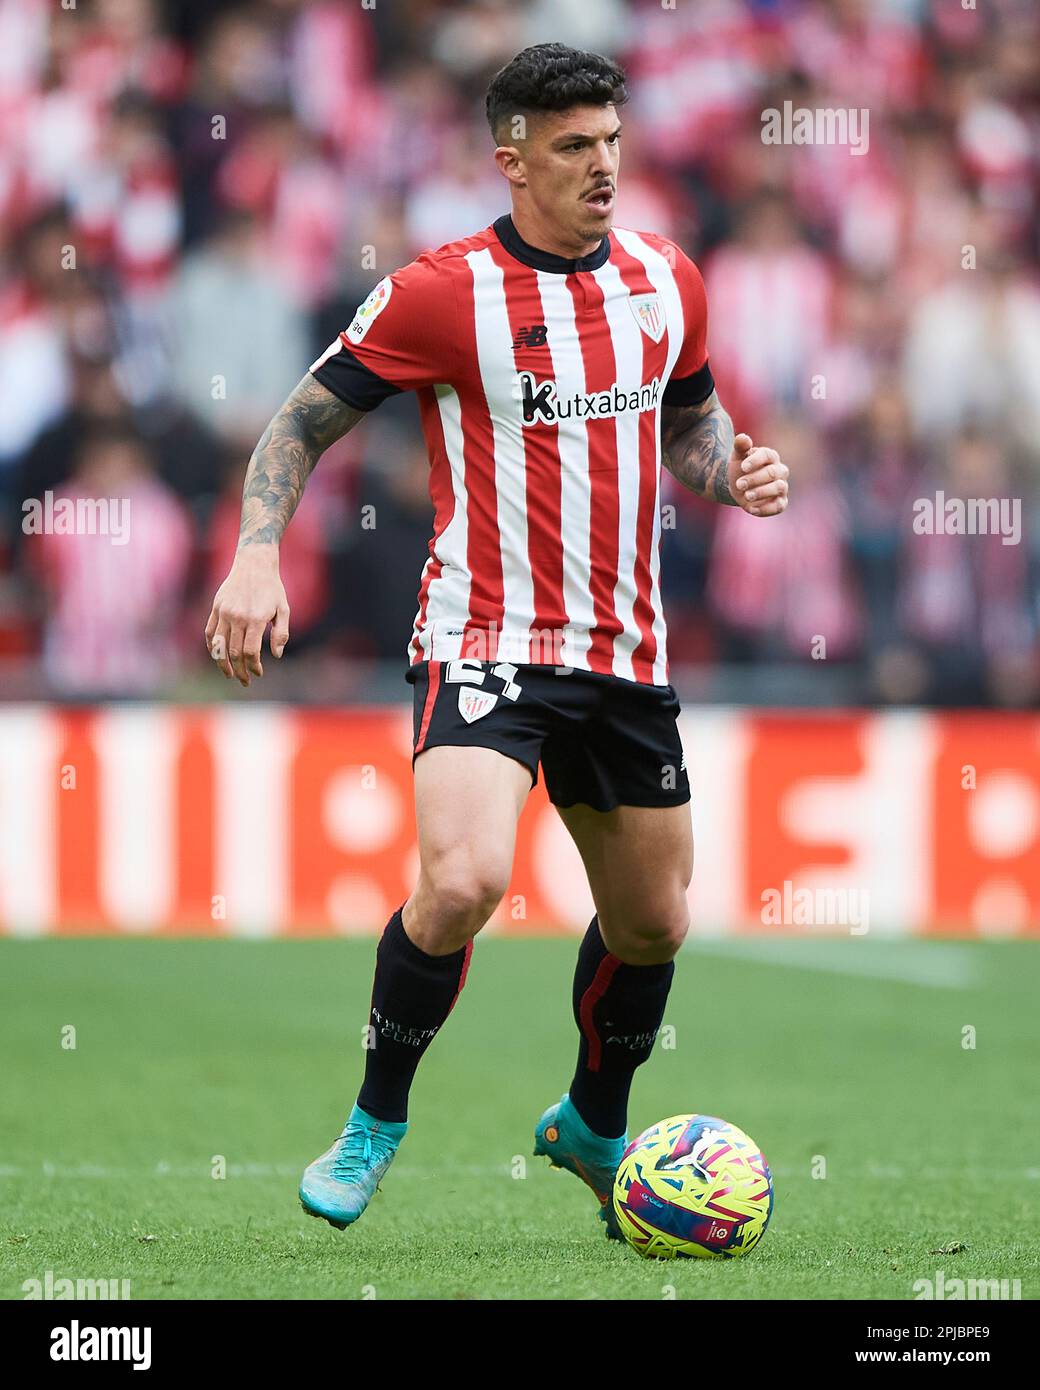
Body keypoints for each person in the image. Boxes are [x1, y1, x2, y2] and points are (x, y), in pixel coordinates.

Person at [204, 43, 790, 1239]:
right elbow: (300, 421)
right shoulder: (441, 292)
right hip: (487, 632)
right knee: (465, 878)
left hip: (625, 649)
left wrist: (734, 469)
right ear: (510, 156)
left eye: (612, 144)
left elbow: (688, 422)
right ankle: (373, 1122)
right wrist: (257, 551)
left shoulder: (665, 277)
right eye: (574, 147)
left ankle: (590, 1119)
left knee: (652, 924)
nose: (602, 168)